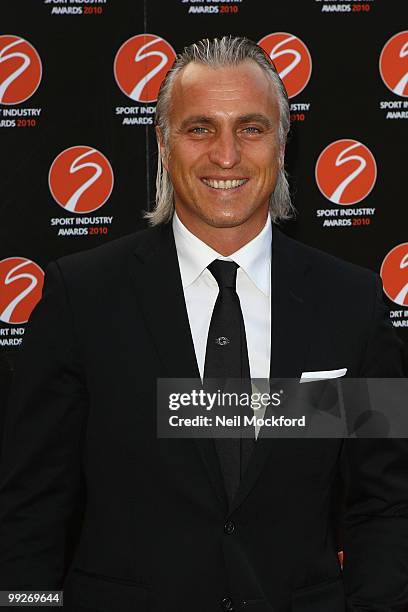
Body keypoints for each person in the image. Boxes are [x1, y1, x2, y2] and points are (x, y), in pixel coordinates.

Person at [0, 36, 407, 612]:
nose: (225, 155)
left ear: (283, 143)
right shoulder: (80, 297)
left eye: (251, 128)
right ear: (164, 145)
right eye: (199, 129)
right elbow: (29, 511)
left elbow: (386, 503)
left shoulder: (353, 301)